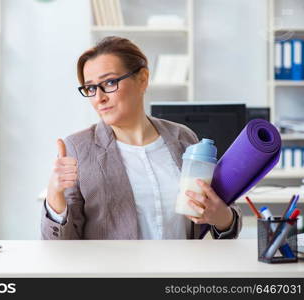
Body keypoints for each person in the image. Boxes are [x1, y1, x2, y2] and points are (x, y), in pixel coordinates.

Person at [41, 36, 242, 240]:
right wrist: (55, 196)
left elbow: (222, 218)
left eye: (109, 82)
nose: (99, 98)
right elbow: (59, 244)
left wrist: (223, 218)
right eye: (91, 88)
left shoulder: (183, 137)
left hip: (181, 270)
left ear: (142, 79)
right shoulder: (77, 149)